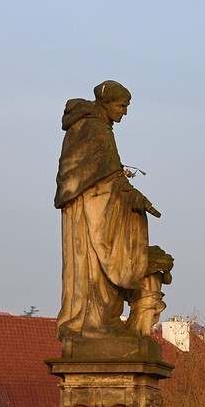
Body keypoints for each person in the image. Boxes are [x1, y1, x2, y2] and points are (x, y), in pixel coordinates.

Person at [55, 79, 162, 343]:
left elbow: (108, 173)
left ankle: (103, 319)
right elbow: (88, 174)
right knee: (90, 267)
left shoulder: (100, 127)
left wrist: (130, 194)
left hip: (98, 205)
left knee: (102, 268)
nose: (124, 112)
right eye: (121, 105)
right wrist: (127, 193)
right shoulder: (92, 127)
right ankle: (90, 323)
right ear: (107, 103)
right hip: (86, 210)